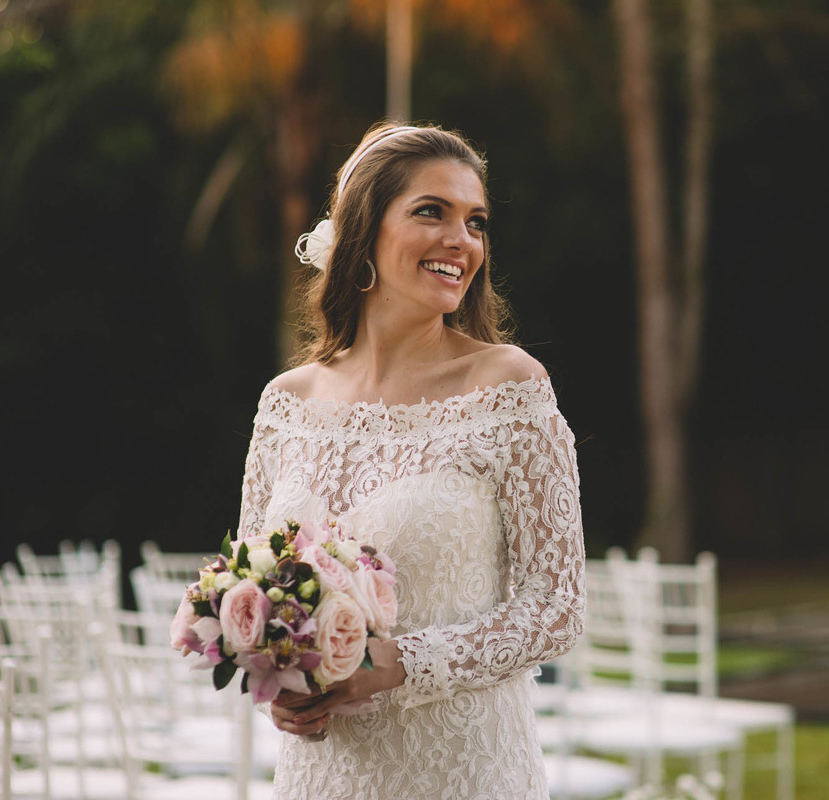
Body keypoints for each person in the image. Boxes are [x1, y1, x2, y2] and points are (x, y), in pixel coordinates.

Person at [236, 122, 586, 799]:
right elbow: (257, 585)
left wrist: (401, 663)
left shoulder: (507, 387)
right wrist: (281, 684)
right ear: (363, 232)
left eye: (476, 222)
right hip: (321, 776)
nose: (462, 241)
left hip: (465, 772)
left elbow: (555, 608)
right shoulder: (286, 403)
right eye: (432, 212)